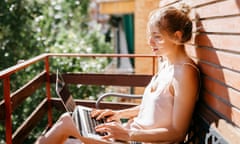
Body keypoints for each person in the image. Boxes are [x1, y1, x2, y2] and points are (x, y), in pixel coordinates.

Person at [35, 4, 200, 144]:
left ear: (176, 36)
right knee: (74, 117)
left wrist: (126, 134)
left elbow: (178, 132)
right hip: (130, 134)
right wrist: (119, 114)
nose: (150, 42)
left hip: (137, 140)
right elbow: (156, 108)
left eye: (157, 37)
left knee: (67, 121)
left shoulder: (184, 73)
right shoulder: (167, 64)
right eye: (150, 36)